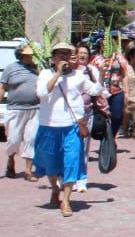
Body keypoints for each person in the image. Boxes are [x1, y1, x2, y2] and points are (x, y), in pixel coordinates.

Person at [34, 43, 103, 217]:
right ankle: (54, 189)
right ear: (53, 57)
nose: (64, 57)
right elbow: (41, 93)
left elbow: (95, 90)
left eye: (67, 54)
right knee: (51, 164)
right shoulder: (45, 74)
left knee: (71, 161)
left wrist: (102, 73)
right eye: (60, 54)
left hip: (72, 126)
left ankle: (66, 201)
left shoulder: (78, 76)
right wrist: (58, 74)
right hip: (49, 126)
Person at [0, 43, 40, 181]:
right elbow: (2, 88)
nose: (31, 57)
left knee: (31, 139)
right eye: (28, 55)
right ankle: (11, 160)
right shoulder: (11, 68)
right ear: (21, 56)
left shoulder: (37, 69)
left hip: (35, 109)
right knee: (13, 140)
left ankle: (28, 171)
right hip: (15, 109)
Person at [72, 44, 106, 193]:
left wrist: (102, 73)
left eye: (85, 53)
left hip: (87, 114)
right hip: (69, 115)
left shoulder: (91, 71)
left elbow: (98, 89)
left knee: (83, 148)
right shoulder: (69, 72)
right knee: (71, 148)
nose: (82, 55)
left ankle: (81, 180)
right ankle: (68, 177)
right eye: (80, 52)